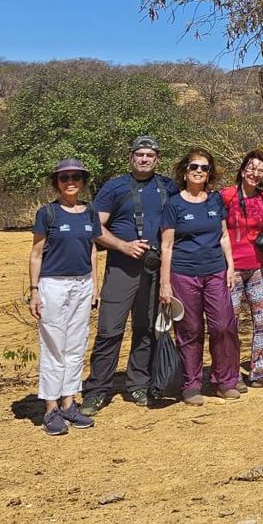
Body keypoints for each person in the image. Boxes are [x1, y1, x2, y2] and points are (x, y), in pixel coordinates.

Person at [82, 136, 178, 415]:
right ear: (131, 157)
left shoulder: (167, 187)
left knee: (146, 329)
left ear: (157, 158)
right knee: (110, 330)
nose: (145, 159)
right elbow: (95, 227)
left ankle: (139, 383)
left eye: (150, 155)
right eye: (140, 154)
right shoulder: (115, 187)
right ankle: (97, 390)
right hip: (122, 268)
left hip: (155, 268)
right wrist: (124, 246)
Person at [159, 149, 240, 406]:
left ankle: (224, 381)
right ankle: (191, 384)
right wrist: (164, 282)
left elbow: (224, 236)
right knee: (190, 329)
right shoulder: (174, 204)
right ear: (185, 170)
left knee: (224, 325)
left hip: (216, 271)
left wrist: (230, 266)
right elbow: (167, 245)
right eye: (194, 166)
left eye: (204, 168)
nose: (199, 171)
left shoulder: (215, 201)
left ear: (209, 173)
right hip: (183, 274)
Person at [28, 159, 100, 435]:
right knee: (53, 345)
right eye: (64, 178)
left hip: (82, 284)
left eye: (76, 177)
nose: (71, 182)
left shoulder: (89, 212)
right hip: (53, 285)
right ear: (56, 182)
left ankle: (70, 402)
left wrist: (95, 284)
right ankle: (51, 408)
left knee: (76, 343)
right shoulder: (48, 213)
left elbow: (92, 250)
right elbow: (36, 254)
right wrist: (34, 291)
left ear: (83, 181)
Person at [219, 151, 263, 389]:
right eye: (251, 168)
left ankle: (261, 370)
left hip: (257, 266)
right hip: (232, 269)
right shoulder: (226, 196)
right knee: (230, 321)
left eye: (260, 170)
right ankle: (230, 374)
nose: (255, 174)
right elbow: (218, 231)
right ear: (242, 169)